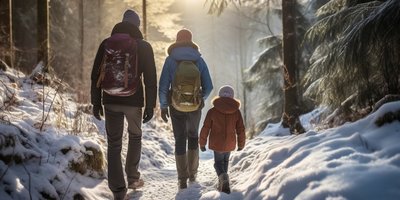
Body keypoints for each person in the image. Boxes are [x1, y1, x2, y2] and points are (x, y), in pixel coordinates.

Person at [90, 9, 157, 199]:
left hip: (110, 99)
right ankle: (133, 177)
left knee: (114, 144)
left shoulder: (106, 43)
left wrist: (96, 102)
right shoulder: (143, 46)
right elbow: (150, 78)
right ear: (136, 25)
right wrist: (151, 105)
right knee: (135, 136)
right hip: (134, 101)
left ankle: (118, 192)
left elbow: (95, 75)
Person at [159, 28, 213, 189]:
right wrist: (199, 99)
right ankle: (193, 174)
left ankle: (182, 178)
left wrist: (163, 106)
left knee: (180, 139)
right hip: (195, 108)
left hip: (176, 107)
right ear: (191, 41)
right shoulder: (199, 60)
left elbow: (162, 86)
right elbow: (209, 86)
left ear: (177, 40)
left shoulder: (170, 60)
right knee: (193, 137)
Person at [199, 85, 245, 194]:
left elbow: (206, 127)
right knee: (225, 162)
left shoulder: (212, 111)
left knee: (218, 163)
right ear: (232, 97)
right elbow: (241, 129)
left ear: (219, 96)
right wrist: (241, 144)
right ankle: (224, 181)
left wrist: (202, 143)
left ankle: (223, 178)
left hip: (217, 143)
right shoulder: (236, 111)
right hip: (230, 143)